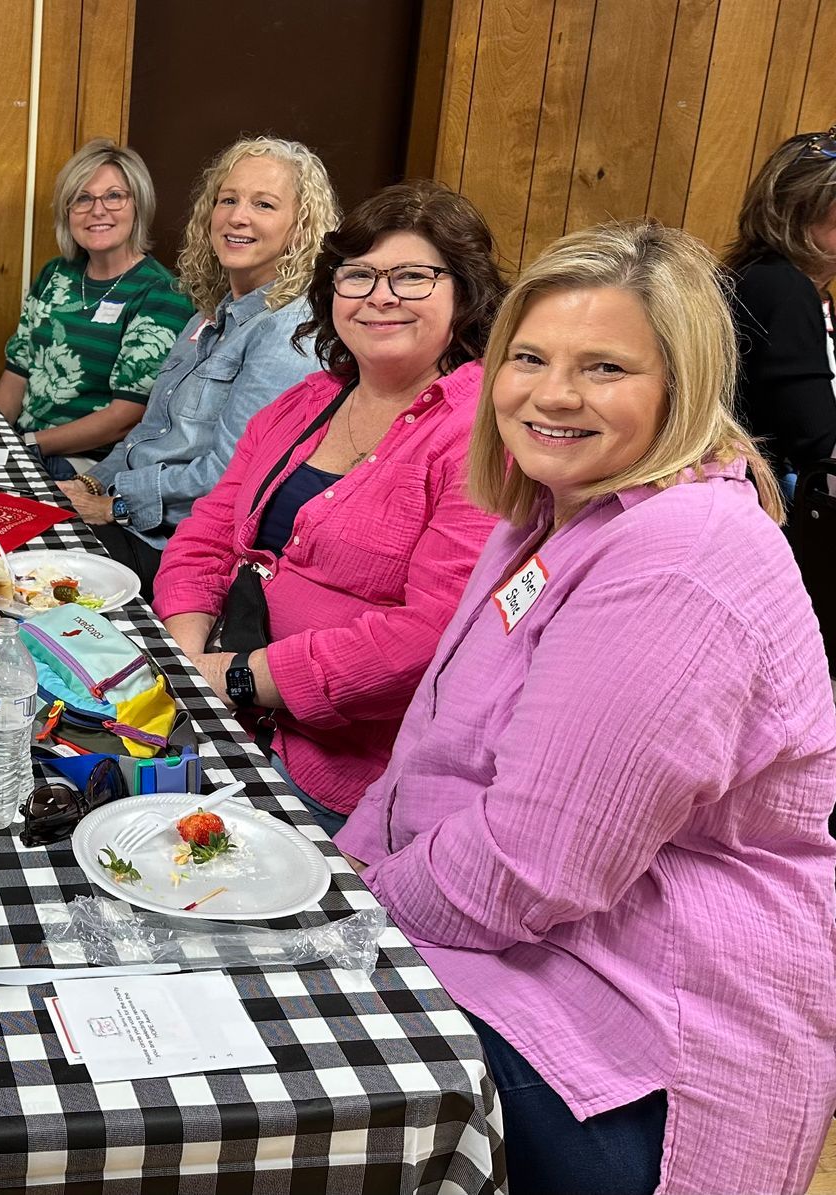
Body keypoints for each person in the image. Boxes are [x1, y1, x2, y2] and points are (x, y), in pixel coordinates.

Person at [339, 221, 836, 1195]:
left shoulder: (678, 560)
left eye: (603, 366)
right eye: (530, 357)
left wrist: (350, 908)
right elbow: (426, 756)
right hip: (501, 944)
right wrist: (348, 863)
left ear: (679, 388)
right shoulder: (548, 511)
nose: (552, 393)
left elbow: (527, 871)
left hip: (629, 1030)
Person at [153, 180, 505, 834]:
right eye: (360, 275)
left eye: (412, 277)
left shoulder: (479, 434)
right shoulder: (308, 400)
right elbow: (205, 536)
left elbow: (426, 637)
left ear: (466, 293)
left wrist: (231, 677)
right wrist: (187, 662)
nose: (381, 296)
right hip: (229, 712)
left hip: (338, 775)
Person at [57, 137, 339, 597]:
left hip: (172, 546)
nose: (237, 216)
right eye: (227, 199)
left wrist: (113, 506)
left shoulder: (288, 332)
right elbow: (147, 435)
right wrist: (88, 481)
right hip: (128, 514)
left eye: (263, 204)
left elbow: (230, 474)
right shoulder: (211, 314)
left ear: (301, 226)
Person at [0, 138, 195, 476]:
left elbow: (124, 419)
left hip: (88, 465)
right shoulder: (56, 274)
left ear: (138, 206)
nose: (97, 210)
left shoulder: (162, 293)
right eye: (83, 198)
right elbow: (17, 374)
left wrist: (25, 444)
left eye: (114, 196)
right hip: (26, 447)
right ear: (67, 212)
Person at [724, 125, 836, 486]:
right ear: (799, 208)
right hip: (766, 500)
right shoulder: (781, 288)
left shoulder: (766, 277)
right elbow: (818, 448)